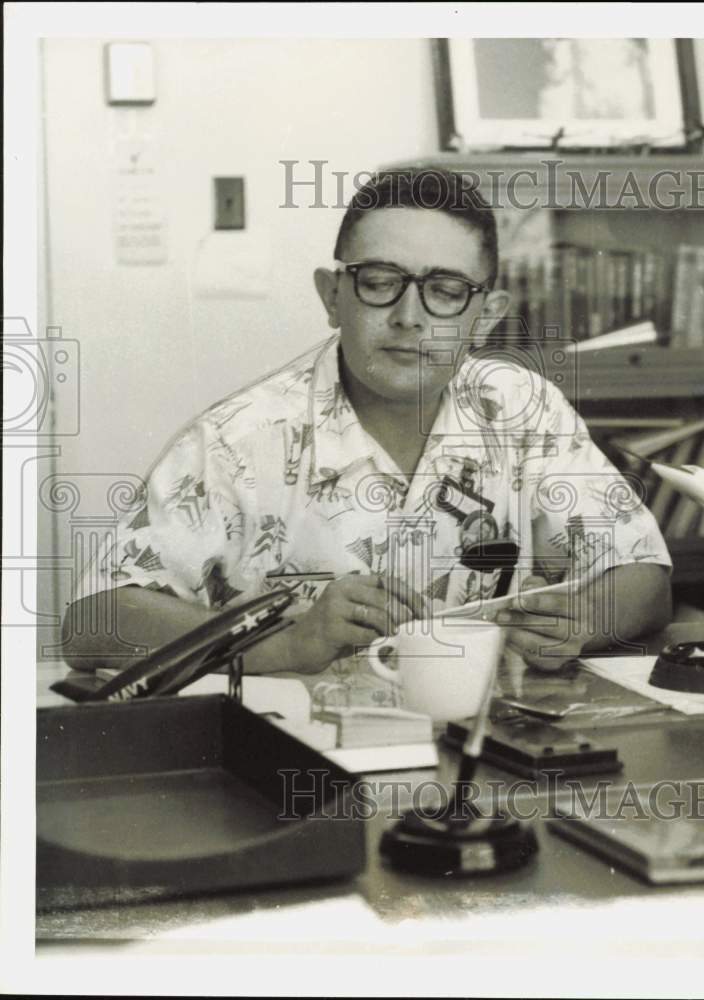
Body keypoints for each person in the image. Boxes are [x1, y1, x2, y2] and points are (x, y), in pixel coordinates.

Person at [63, 168, 672, 699]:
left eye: (445, 291)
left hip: (483, 749)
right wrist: (289, 645)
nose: (409, 317)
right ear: (333, 296)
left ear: (484, 317)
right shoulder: (237, 439)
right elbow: (91, 622)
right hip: (291, 770)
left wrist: (582, 616)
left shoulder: (524, 407)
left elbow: (644, 575)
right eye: (380, 281)